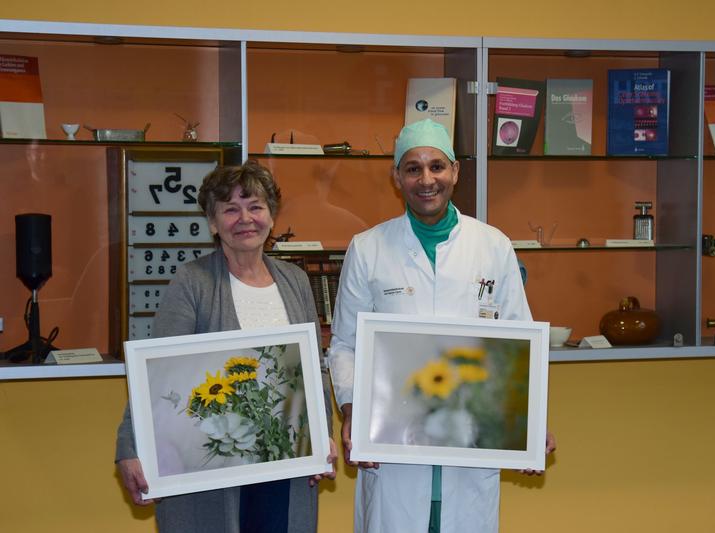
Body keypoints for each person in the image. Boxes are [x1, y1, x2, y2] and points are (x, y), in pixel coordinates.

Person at [327, 119, 556, 533]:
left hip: (469, 450)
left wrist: (527, 418)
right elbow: (345, 344)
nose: (426, 179)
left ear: (456, 172)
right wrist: (352, 411)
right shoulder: (368, 249)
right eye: (413, 168)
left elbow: (518, 345)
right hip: (393, 450)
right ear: (396, 177)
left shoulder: (493, 246)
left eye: (437, 166)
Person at [115, 160, 337, 533]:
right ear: (213, 223)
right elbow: (157, 373)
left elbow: (312, 368)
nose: (245, 219)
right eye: (230, 210)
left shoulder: (295, 280)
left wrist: (322, 432)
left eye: (255, 207)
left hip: (284, 461)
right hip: (211, 463)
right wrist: (130, 447)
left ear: (271, 216)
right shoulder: (192, 282)